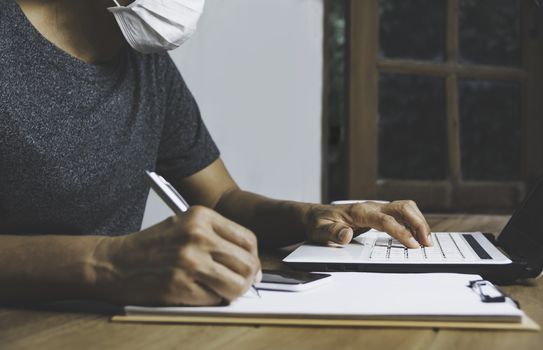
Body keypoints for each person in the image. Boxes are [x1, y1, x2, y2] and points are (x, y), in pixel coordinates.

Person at [0, 0, 432, 306]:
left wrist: (313, 217)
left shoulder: (146, 66)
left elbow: (223, 200)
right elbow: (112, 264)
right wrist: (106, 262)